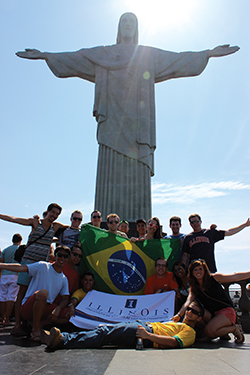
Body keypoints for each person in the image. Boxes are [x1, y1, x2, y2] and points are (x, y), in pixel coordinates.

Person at [15, 12, 239, 221]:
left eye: (132, 22)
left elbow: (176, 60)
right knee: (109, 164)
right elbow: (75, 59)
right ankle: (106, 222)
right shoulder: (103, 54)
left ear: (137, 28)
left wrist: (207, 54)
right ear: (119, 28)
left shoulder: (147, 56)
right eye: (124, 22)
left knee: (137, 165)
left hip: (139, 124)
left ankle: (136, 224)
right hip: (111, 120)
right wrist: (45, 56)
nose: (128, 25)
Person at [0, 203, 68, 335]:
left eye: (57, 214)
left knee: (35, 294)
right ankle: (17, 325)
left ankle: (28, 323)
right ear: (47, 211)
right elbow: (14, 219)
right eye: (52, 212)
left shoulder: (56, 226)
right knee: (21, 293)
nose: (54, 216)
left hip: (42, 267)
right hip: (28, 261)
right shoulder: (35, 223)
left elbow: (72, 228)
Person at [40, 300, 203, 350]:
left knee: (104, 333)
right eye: (188, 309)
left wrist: (148, 336)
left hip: (145, 332)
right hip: (142, 325)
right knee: (103, 332)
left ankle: (62, 340)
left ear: (199, 318)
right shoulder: (177, 322)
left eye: (194, 312)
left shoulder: (190, 332)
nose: (189, 312)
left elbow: (175, 343)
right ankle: (62, 338)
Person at [0, 245, 70, 341]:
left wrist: (58, 308)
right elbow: (21, 268)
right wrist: (1, 265)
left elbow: (65, 299)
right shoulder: (43, 266)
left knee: (69, 315)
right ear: (55, 256)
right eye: (60, 255)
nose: (62, 258)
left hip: (45, 308)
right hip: (29, 307)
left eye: (65, 256)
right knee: (43, 293)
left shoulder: (64, 279)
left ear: (67, 259)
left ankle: (41, 323)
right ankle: (36, 330)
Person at [172, 259, 250, 343]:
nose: (198, 271)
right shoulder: (194, 287)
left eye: (200, 269)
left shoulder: (214, 278)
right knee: (193, 309)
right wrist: (179, 315)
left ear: (205, 270)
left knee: (210, 332)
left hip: (226, 311)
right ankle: (215, 332)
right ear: (192, 272)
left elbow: (234, 276)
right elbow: (188, 301)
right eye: (195, 270)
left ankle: (234, 329)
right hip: (212, 314)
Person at [181, 214, 250, 272]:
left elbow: (229, 232)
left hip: (209, 268)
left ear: (200, 221)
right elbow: (185, 255)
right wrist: (184, 269)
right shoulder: (188, 237)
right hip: (195, 270)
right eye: (193, 222)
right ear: (190, 224)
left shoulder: (209, 233)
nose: (195, 224)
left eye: (197, 221)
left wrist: (244, 225)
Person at [0, 233, 22, 326]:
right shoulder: (20, 249)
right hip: (15, 274)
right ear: (20, 240)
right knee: (11, 297)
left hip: (4, 274)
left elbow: (1, 263)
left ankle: (3, 317)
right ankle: (7, 319)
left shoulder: (6, 250)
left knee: (2, 296)